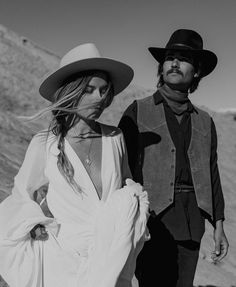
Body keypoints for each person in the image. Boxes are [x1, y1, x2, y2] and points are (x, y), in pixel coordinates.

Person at [0, 43, 149, 287]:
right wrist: (35, 223)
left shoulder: (115, 138)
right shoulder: (44, 144)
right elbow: (21, 194)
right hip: (64, 261)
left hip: (112, 258)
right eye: (89, 90)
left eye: (104, 90)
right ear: (71, 92)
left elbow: (126, 188)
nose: (99, 98)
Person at [119, 29, 229, 287]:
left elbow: (211, 174)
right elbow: (121, 168)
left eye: (184, 58)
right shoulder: (137, 110)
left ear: (197, 71)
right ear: (162, 66)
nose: (175, 63)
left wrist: (219, 225)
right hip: (151, 220)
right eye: (170, 57)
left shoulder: (205, 121)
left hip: (192, 220)